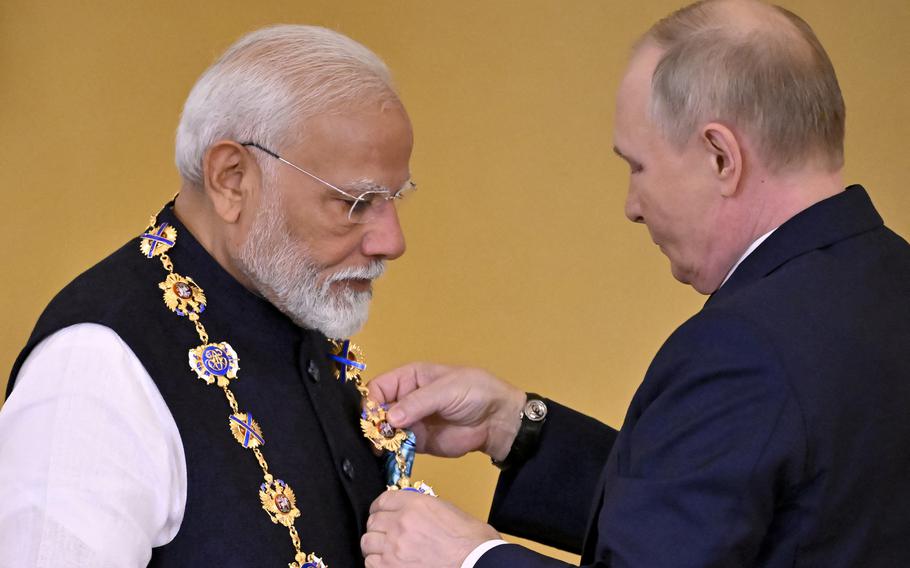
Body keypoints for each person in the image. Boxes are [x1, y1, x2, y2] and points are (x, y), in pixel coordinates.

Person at [360, 1, 910, 567]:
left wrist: (470, 559)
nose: (632, 207)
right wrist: (513, 427)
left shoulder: (743, 349)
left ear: (722, 157)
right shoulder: (891, 284)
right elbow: (727, 515)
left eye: (637, 167)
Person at [0, 25, 415, 567]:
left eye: (395, 199)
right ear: (232, 179)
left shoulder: (288, 297)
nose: (393, 241)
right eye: (357, 202)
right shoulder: (94, 368)